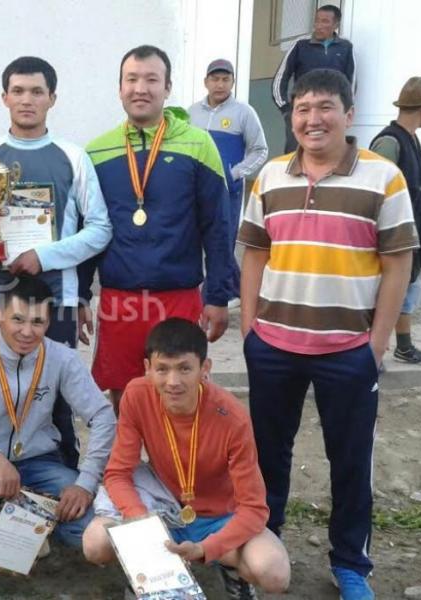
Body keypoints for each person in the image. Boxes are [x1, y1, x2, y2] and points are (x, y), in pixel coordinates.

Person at [239, 69, 418, 600]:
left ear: (348, 112)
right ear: (291, 116)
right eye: (302, 108)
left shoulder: (383, 178)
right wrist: (250, 331)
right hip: (274, 346)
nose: (312, 119)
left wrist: (376, 345)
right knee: (267, 457)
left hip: (348, 351)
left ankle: (350, 565)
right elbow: (255, 254)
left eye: (324, 107)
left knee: (351, 459)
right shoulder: (271, 177)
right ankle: (264, 547)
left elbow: (398, 263)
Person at [0, 276, 116, 600]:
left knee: (87, 530)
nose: (27, 332)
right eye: (18, 319)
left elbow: (103, 416)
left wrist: (85, 482)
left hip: (39, 467)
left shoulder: (62, 358)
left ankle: (25, 524)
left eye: (37, 322)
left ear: (48, 322)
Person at [83, 318, 290, 599]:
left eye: (184, 368)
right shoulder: (136, 394)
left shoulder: (232, 417)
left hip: (218, 515)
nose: (173, 382)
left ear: (205, 369)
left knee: (274, 571)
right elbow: (118, 473)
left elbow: (254, 509)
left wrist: (207, 549)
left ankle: (229, 567)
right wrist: (141, 521)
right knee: (95, 543)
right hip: (162, 503)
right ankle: (145, 572)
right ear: (147, 368)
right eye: (162, 369)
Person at [0, 55, 112, 469]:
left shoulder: (73, 156)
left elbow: (100, 228)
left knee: (56, 400)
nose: (27, 100)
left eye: (37, 91)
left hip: (56, 299)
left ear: (52, 98)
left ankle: (65, 480)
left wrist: (43, 255)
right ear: (4, 97)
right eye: (18, 91)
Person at [84, 44, 234, 412]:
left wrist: (217, 296)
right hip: (119, 300)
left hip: (178, 297)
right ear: (120, 88)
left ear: (167, 88)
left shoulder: (199, 144)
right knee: (125, 398)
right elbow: (89, 229)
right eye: (131, 79)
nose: (140, 88)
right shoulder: (96, 151)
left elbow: (218, 226)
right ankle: (129, 453)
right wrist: (80, 295)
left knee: (179, 397)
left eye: (151, 79)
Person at [370, 76, 421, 367]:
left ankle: (404, 346)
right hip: (390, 234)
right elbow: (374, 189)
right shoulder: (389, 143)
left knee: (409, 288)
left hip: (410, 230)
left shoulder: (410, 139)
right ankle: (372, 352)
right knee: (383, 291)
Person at [189, 58, 268, 307]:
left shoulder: (244, 113)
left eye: (225, 79)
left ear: (233, 82)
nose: (220, 84)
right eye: (215, 79)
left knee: (222, 242)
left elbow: (260, 150)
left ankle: (215, 298)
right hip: (196, 189)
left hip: (227, 192)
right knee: (198, 239)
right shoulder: (192, 113)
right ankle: (239, 289)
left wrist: (235, 173)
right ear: (206, 82)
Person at [272, 5, 356, 153]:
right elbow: (280, 77)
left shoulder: (345, 47)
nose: (319, 25)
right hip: (302, 110)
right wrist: (286, 109)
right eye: (317, 20)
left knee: (329, 152)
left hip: (331, 111)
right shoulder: (300, 45)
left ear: (336, 25)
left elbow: (351, 82)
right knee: (294, 153)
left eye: (325, 21)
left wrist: (345, 109)